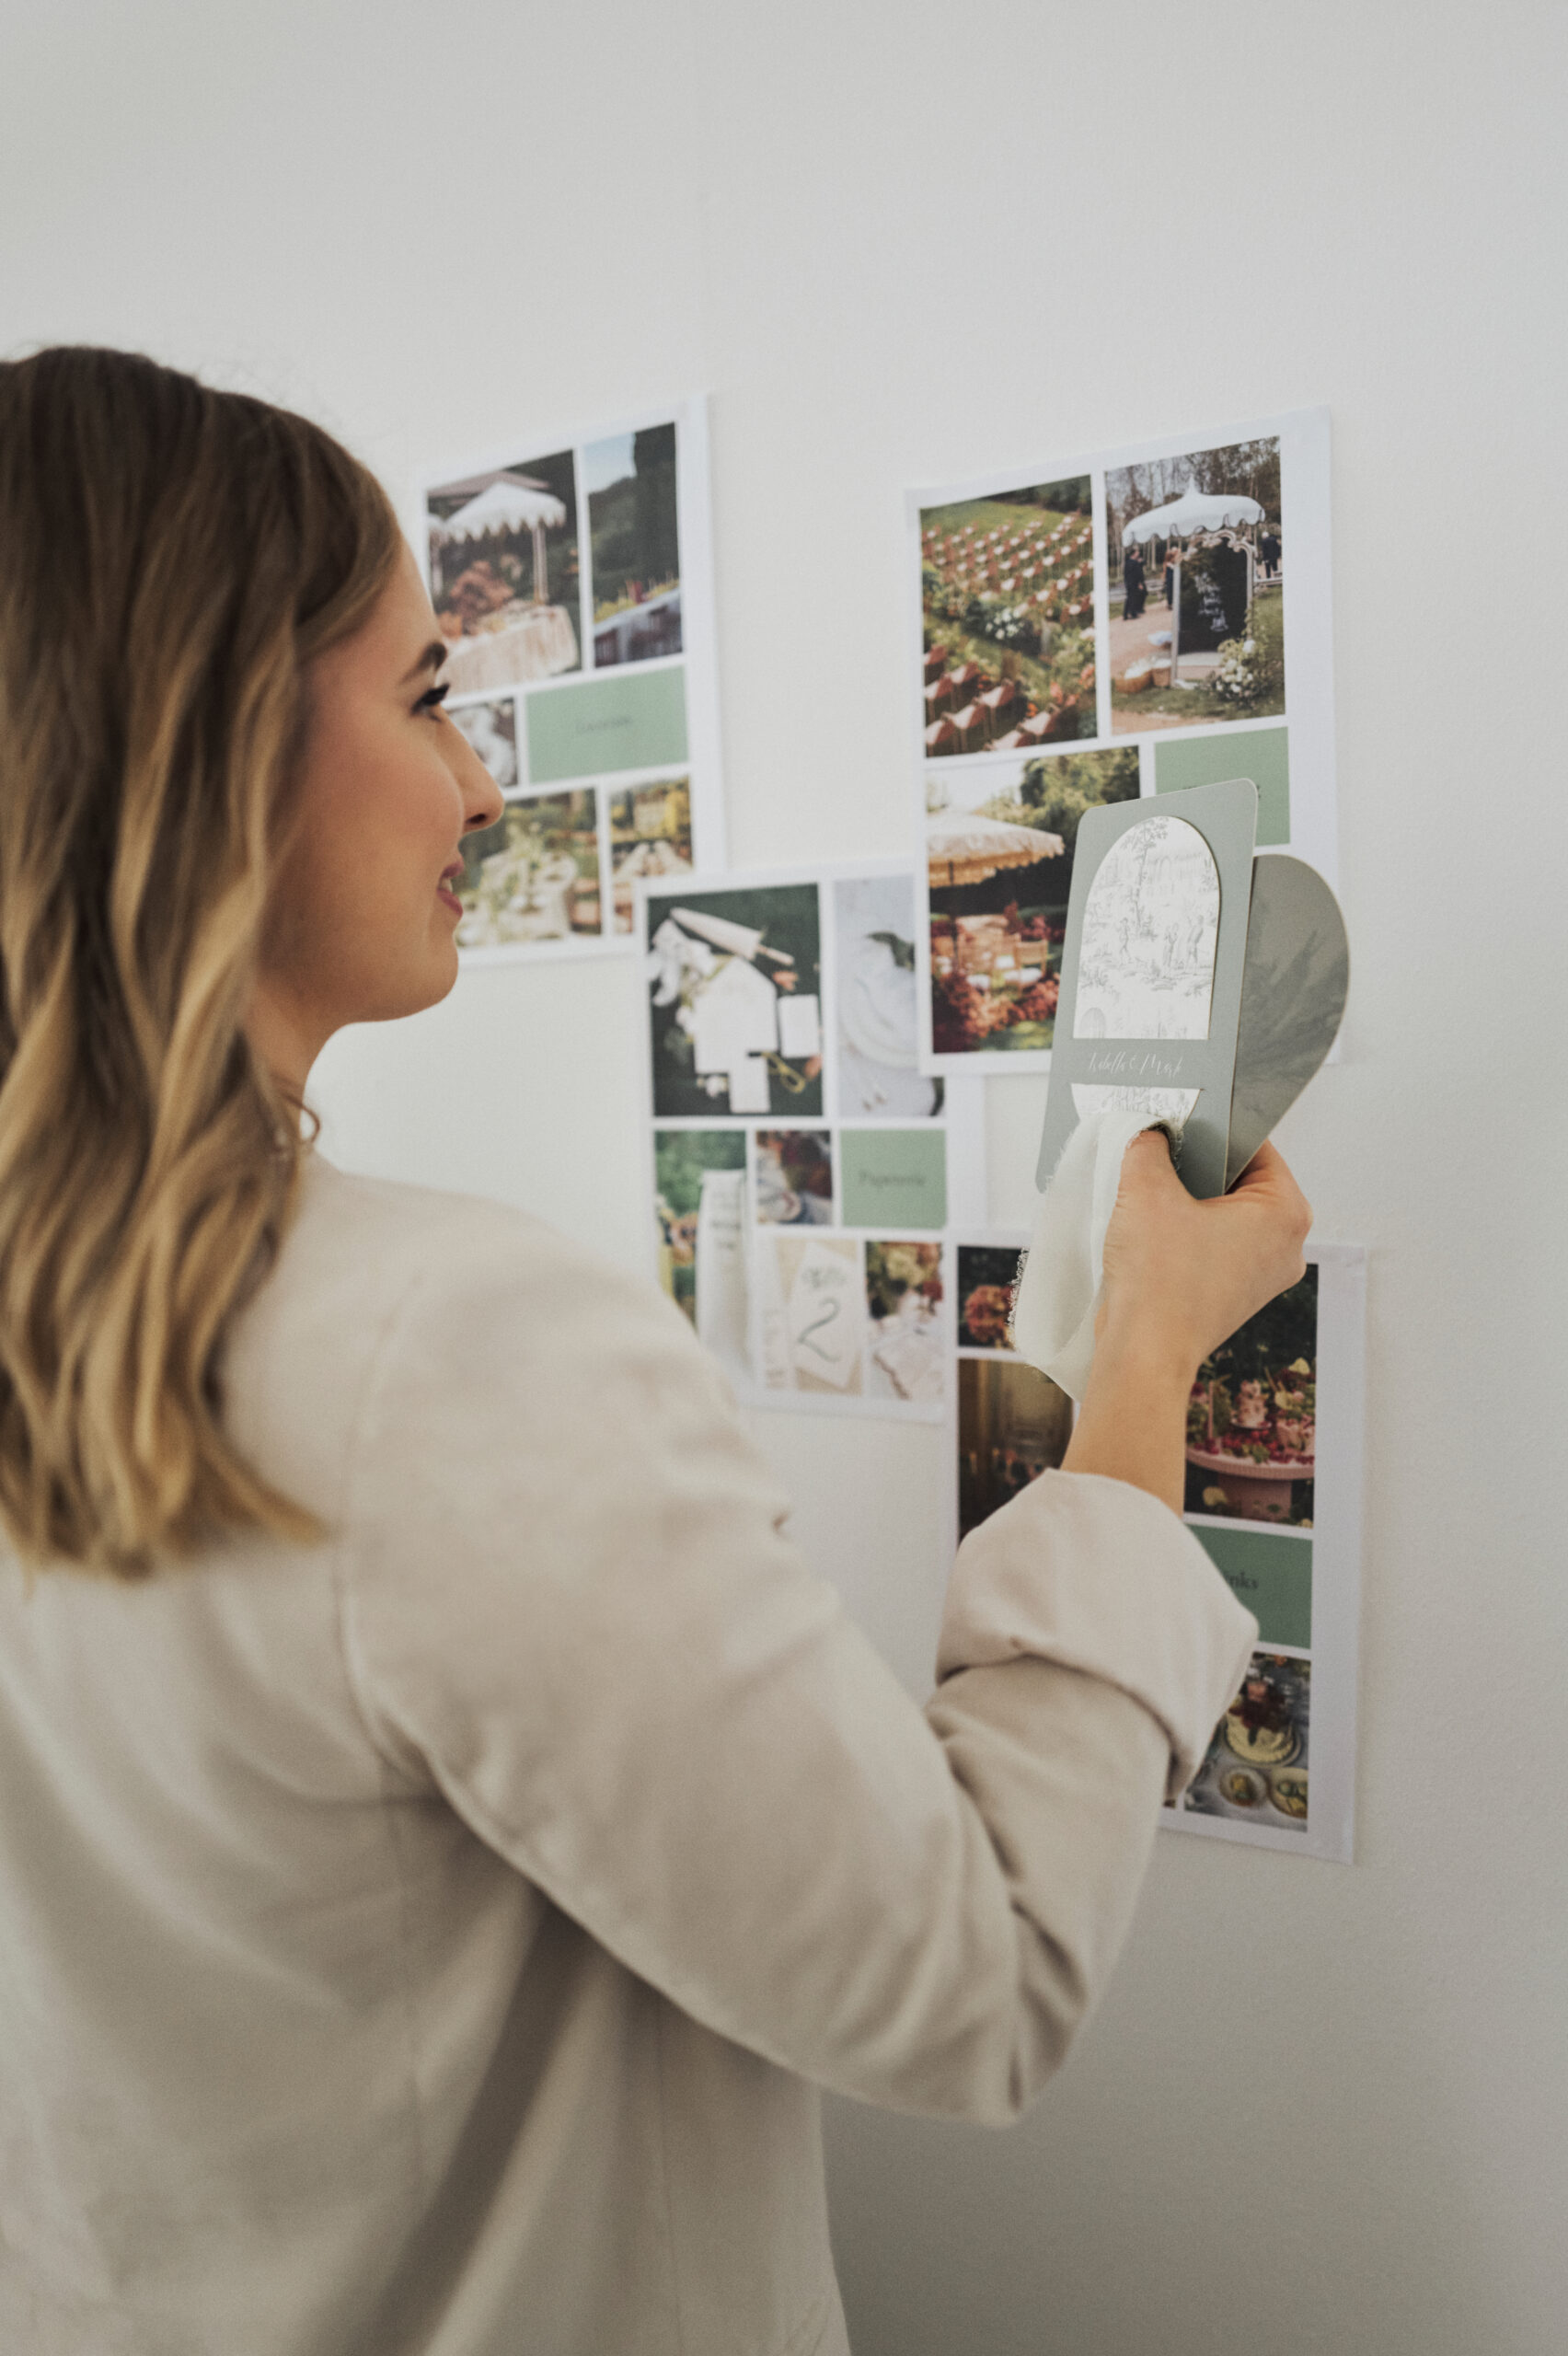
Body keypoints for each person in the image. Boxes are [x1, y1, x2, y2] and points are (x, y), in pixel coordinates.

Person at [0, 349, 1310, 2356]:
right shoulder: (441, 1344)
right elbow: (970, 1976)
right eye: (429, 696)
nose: (485, 785)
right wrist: (1144, 1366)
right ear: (206, 740)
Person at [1122, 540, 1147, 619]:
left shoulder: (1127, 562)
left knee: (1129, 598)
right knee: (1133, 598)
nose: (1138, 553)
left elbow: (1126, 574)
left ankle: (1126, 614)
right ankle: (1132, 613)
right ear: (1134, 553)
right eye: (1137, 552)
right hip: (1134, 583)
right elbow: (1137, 574)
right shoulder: (1134, 563)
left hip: (1129, 583)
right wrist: (1139, 583)